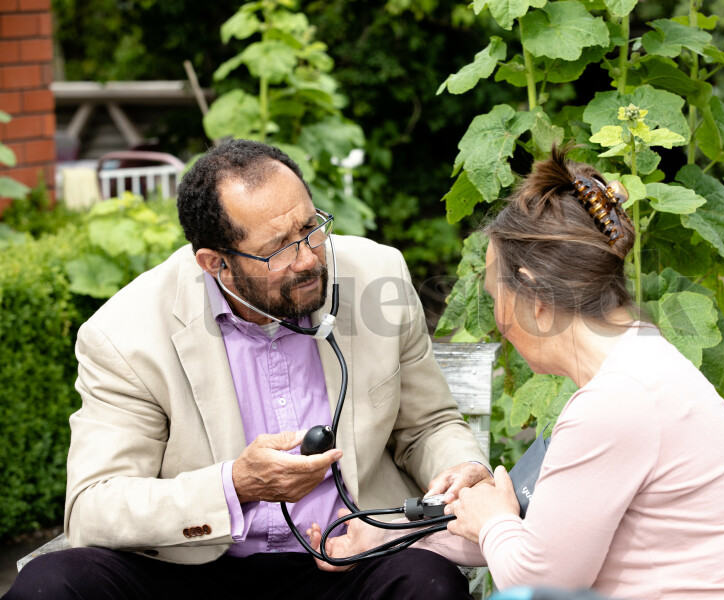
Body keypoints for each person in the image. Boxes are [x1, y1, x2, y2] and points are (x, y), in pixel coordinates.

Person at [5, 139, 490, 600]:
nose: (309, 259)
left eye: (311, 228)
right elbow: (95, 505)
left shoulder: (376, 274)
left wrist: (462, 469)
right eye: (279, 249)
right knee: (51, 585)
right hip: (193, 569)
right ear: (216, 263)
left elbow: (428, 425)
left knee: (428, 583)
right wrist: (234, 485)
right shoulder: (125, 333)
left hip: (346, 557)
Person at [309, 146, 724, 600]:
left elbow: (538, 580)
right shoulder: (639, 361)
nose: (498, 318)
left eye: (496, 296)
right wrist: (381, 537)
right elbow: (539, 537)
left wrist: (492, 517)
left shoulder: (617, 402)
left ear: (531, 293)